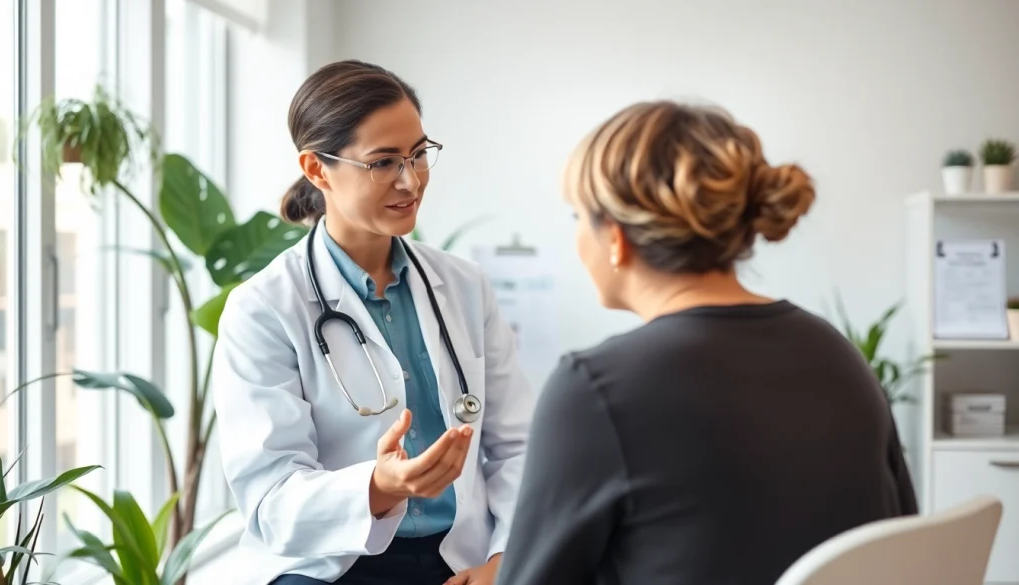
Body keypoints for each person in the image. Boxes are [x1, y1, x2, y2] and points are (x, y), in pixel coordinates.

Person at [494, 101, 918, 585]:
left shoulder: (596, 388)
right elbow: (898, 544)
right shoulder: (836, 354)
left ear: (614, 236)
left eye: (577, 216)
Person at [212, 60, 534, 585]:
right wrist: (380, 487)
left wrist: (505, 560)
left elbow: (517, 446)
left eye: (418, 154)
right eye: (383, 162)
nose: (411, 180)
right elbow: (270, 498)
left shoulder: (466, 286)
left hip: (460, 559)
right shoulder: (264, 307)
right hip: (328, 564)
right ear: (318, 170)